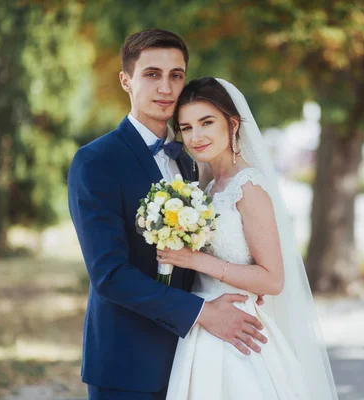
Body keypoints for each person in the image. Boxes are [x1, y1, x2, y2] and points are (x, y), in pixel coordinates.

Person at [67, 29, 265, 400]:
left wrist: (239, 284)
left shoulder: (191, 161)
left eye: (176, 75)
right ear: (127, 80)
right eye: (152, 74)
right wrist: (201, 312)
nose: (166, 87)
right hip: (127, 362)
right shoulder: (96, 161)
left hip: (197, 358)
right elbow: (109, 274)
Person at [157, 77, 338, 400]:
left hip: (239, 331)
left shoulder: (249, 187)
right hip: (203, 322)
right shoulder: (205, 187)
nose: (196, 136)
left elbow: (272, 280)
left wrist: (196, 259)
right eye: (186, 127)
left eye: (206, 122)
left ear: (233, 123)